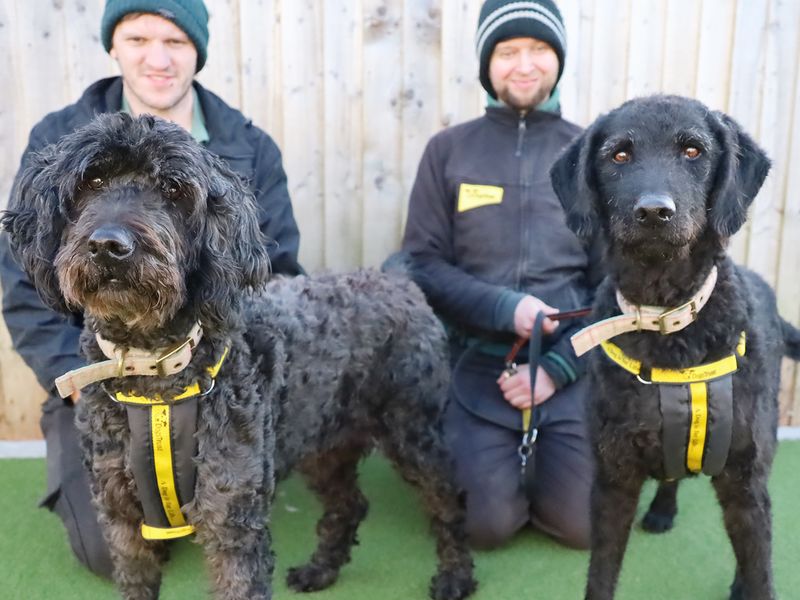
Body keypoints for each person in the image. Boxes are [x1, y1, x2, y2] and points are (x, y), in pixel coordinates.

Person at [0, 0, 303, 577]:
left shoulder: (250, 146)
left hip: (210, 369)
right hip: (94, 374)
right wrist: (73, 378)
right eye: (138, 39)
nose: (157, 59)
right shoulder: (59, 138)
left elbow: (277, 268)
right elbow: (24, 281)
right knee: (104, 552)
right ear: (113, 45)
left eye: (176, 42)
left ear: (199, 53)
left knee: (233, 510)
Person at [401, 0, 603, 550]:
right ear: (487, 63)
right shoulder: (447, 151)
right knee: (482, 528)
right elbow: (419, 263)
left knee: (584, 527)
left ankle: (541, 457)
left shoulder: (593, 156)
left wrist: (557, 369)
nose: (524, 65)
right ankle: (502, 463)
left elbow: (614, 289)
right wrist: (501, 308)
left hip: (571, 364)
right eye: (508, 50)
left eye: (539, 49)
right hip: (474, 364)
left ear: (558, 58)